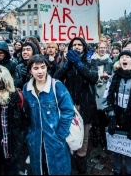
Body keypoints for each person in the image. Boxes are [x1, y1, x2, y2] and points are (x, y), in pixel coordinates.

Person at [22, 55, 74, 175]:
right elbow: (25, 114)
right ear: (30, 70)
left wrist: (60, 134)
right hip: (35, 140)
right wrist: (29, 134)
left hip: (55, 138)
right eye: (36, 68)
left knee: (58, 169)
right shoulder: (27, 88)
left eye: (42, 67)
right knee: (39, 168)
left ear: (47, 68)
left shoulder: (57, 86)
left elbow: (68, 110)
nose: (40, 71)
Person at [53, 36, 98, 174]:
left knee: (84, 133)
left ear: (84, 47)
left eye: (79, 44)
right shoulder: (66, 63)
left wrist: (78, 63)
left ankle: (81, 156)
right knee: (70, 131)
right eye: (74, 45)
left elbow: (93, 77)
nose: (77, 47)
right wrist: (67, 64)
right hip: (69, 105)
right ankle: (70, 155)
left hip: (85, 104)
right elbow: (56, 77)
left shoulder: (91, 61)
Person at [102, 50, 131, 175]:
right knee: (116, 148)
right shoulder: (114, 76)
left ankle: (130, 171)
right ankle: (116, 170)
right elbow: (107, 97)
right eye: (122, 57)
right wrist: (111, 117)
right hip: (116, 117)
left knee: (130, 149)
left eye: (127, 57)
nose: (124, 59)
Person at [90, 41, 112, 149]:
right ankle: (95, 138)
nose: (102, 49)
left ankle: (104, 139)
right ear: (97, 49)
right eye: (100, 47)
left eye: (104, 47)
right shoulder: (92, 60)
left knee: (103, 119)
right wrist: (98, 78)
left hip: (104, 91)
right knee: (94, 118)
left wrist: (108, 77)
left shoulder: (109, 60)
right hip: (94, 90)